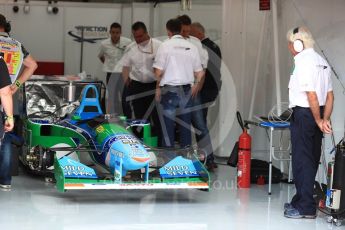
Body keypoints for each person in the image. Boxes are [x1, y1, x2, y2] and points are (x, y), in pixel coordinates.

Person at [284, 26, 334, 219]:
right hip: (317, 114)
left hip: (306, 114)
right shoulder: (322, 61)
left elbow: (312, 95)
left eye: (290, 43)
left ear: (297, 44)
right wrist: (324, 120)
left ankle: (306, 207)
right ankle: (300, 199)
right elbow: (330, 96)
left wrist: (318, 119)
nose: (289, 47)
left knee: (301, 160)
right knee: (310, 159)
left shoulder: (303, 61)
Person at [0, 14, 37, 189]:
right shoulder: (17, 45)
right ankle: (5, 181)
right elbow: (33, 65)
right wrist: (16, 84)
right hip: (6, 95)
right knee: (6, 137)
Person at [153, 18, 203, 148]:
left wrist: (157, 89)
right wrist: (196, 85)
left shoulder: (164, 45)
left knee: (167, 128)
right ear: (181, 30)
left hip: (169, 91)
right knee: (185, 127)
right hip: (187, 90)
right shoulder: (192, 46)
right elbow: (200, 72)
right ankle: (185, 159)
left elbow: (158, 72)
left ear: (168, 31)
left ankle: (168, 160)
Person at [178, 15, 216, 170]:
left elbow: (203, 67)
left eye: (188, 29)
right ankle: (182, 160)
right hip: (176, 89)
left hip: (193, 90)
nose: (185, 31)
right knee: (181, 126)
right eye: (183, 29)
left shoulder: (195, 43)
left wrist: (197, 87)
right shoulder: (173, 42)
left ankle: (210, 159)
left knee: (200, 124)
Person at [121, 22, 162, 144]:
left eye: (140, 36)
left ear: (146, 33)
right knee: (139, 118)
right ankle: (139, 143)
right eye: (135, 36)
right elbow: (125, 66)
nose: (137, 39)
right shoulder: (131, 47)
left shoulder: (159, 46)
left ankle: (158, 145)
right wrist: (126, 80)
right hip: (137, 85)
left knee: (157, 116)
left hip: (153, 86)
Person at [190, 22, 222, 122]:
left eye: (191, 34)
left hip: (205, 88)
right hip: (210, 86)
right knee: (200, 120)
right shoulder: (212, 45)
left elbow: (202, 69)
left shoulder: (203, 48)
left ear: (199, 34)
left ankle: (203, 138)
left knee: (199, 121)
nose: (189, 37)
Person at [98, 22, 131, 116]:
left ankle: (127, 120)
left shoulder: (128, 42)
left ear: (120, 32)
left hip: (123, 75)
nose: (115, 35)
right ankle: (114, 121)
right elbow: (100, 56)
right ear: (110, 32)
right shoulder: (104, 44)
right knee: (113, 99)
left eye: (117, 32)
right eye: (113, 32)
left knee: (125, 99)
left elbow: (131, 57)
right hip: (111, 74)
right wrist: (108, 64)